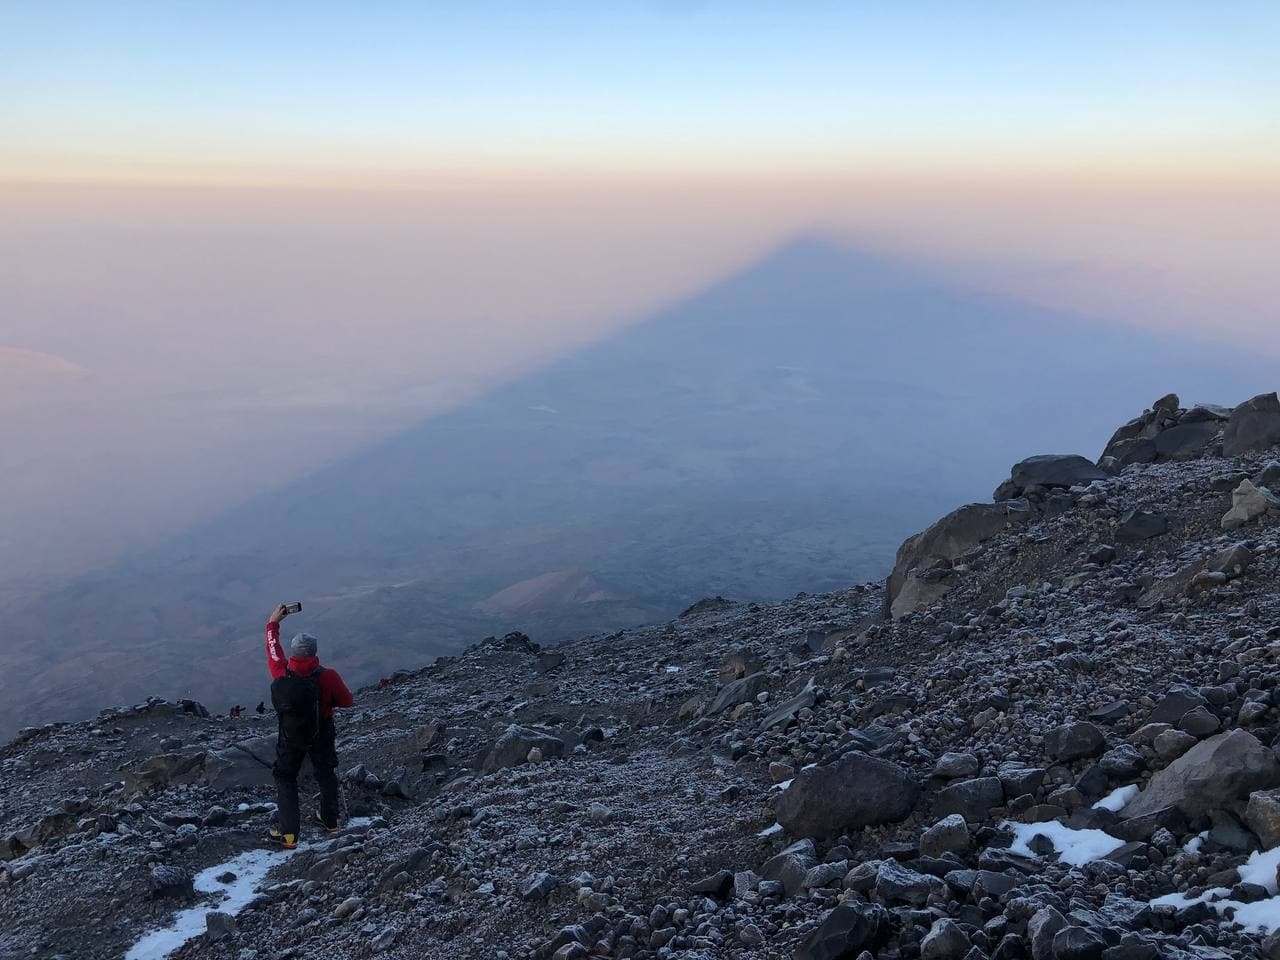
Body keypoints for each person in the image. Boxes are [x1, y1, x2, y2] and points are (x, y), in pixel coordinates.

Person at [265, 603, 353, 849]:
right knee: (325, 772)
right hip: (321, 731)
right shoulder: (328, 676)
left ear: (293, 653)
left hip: (290, 734)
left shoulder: (281, 672)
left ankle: (289, 835)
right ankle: (330, 821)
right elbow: (347, 701)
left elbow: (272, 649)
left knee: (285, 776)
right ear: (314, 653)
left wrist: (273, 623)